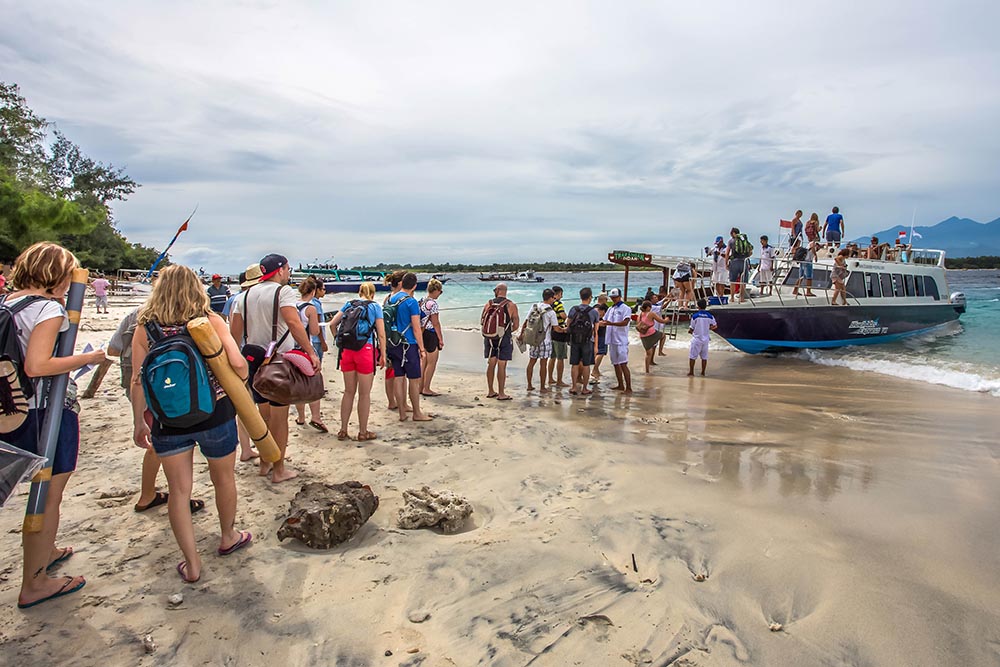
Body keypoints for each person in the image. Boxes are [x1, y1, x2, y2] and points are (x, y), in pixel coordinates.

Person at [130, 265, 252, 584]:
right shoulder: (210, 321)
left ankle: (192, 563)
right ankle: (228, 536)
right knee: (223, 480)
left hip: (167, 421)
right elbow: (238, 366)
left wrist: (138, 422)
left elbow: (138, 380)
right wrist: (238, 377)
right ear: (197, 289)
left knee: (179, 492)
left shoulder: (146, 329)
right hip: (216, 414)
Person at [4, 242, 106, 609]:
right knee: (47, 494)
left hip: (16, 407)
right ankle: (35, 580)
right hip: (45, 410)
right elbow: (38, 365)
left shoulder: (8, 303)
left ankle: (44, 552)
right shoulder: (47, 308)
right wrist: (89, 357)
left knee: (42, 493)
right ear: (58, 275)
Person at [229, 254, 318, 483]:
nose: (289, 273)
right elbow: (293, 322)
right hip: (277, 361)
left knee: (263, 415)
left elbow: (235, 333)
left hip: (253, 358)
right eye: (288, 269)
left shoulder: (244, 295)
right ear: (280, 270)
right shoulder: (283, 292)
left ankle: (266, 461)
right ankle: (279, 469)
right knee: (279, 417)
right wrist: (310, 351)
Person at [329, 282, 386, 441]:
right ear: (373, 294)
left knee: (348, 392)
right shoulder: (375, 307)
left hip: (347, 352)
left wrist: (338, 340)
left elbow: (333, 324)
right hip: (365, 351)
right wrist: (383, 354)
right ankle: (362, 431)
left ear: (359, 292)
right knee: (364, 394)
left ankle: (343, 429)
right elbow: (381, 334)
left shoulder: (349, 304)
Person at [387, 272, 431, 422]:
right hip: (409, 343)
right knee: (413, 379)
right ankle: (417, 413)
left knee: (399, 377)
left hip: (393, 342)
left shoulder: (392, 298)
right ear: (414, 286)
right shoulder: (411, 302)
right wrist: (422, 348)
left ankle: (401, 412)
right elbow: (416, 327)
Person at [293, 277, 327, 432]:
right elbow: (314, 331)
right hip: (306, 347)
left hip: (293, 348)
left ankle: (301, 416)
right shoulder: (311, 308)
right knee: (314, 382)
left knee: (298, 383)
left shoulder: (293, 305)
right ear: (313, 291)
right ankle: (315, 416)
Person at [481, 283, 519, 400]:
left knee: (491, 363)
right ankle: (501, 393)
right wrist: (506, 331)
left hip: (489, 337)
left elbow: (482, 321)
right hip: (504, 337)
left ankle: (491, 391)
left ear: (497, 290)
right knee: (502, 365)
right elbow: (516, 325)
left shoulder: (489, 304)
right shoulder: (511, 305)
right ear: (505, 291)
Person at [520, 288, 558, 392]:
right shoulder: (551, 312)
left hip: (533, 338)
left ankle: (529, 385)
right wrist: (565, 329)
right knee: (543, 364)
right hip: (545, 340)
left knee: (531, 362)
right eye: (554, 298)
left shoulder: (535, 307)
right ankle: (542, 387)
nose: (554, 300)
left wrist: (521, 334)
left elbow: (526, 321)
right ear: (550, 298)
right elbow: (556, 328)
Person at [567, 287, 601, 395]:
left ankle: (573, 387)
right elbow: (596, 330)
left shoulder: (574, 309)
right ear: (590, 297)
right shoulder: (594, 312)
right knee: (586, 365)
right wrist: (596, 346)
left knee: (575, 364)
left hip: (575, 340)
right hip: (587, 341)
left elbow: (568, 324)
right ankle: (585, 388)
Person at [382, 271, 405, 411]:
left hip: (388, 337)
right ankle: (401, 403)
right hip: (399, 338)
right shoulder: (404, 298)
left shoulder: (388, 298)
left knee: (389, 371)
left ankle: (391, 401)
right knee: (400, 373)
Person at [603, 288, 633, 394]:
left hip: (621, 341)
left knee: (623, 364)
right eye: (612, 298)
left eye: (615, 297)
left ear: (620, 297)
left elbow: (625, 322)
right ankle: (620, 384)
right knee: (615, 364)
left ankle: (628, 387)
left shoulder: (626, 308)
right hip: (612, 340)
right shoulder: (611, 309)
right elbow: (605, 320)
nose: (614, 299)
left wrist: (610, 324)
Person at [419, 278, 444, 397]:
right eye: (441, 291)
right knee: (432, 362)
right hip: (430, 333)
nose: (440, 294)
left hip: (422, 332)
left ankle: (420, 386)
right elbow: (435, 323)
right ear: (436, 290)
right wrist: (440, 338)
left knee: (423, 361)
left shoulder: (422, 301)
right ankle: (427, 388)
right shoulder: (433, 304)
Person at [637, 300, 670, 373]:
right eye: (650, 307)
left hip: (643, 335)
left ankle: (647, 370)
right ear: (648, 307)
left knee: (648, 354)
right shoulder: (651, 314)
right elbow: (661, 321)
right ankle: (660, 351)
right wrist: (666, 319)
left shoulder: (640, 315)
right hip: (651, 334)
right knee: (663, 336)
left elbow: (638, 324)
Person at [687, 298, 718, 376]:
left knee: (692, 356)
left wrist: (690, 331)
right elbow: (715, 326)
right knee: (704, 357)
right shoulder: (710, 316)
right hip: (706, 339)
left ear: (698, 306)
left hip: (697, 338)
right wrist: (709, 328)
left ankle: (691, 372)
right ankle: (703, 372)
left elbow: (691, 328)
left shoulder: (695, 316)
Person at [547, 286, 569, 388]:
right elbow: (563, 315)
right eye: (561, 294)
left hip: (550, 332)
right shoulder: (558, 304)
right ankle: (559, 380)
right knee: (560, 357)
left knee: (553, 357)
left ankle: (550, 378)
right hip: (559, 331)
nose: (562, 296)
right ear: (558, 294)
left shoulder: (549, 304)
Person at [725, 227, 749, 304]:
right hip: (743, 261)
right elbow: (750, 251)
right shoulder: (743, 240)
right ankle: (741, 298)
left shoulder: (731, 241)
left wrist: (726, 263)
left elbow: (727, 252)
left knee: (732, 281)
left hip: (734, 261)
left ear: (733, 233)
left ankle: (732, 298)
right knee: (743, 281)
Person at [590, 302, 610, 384]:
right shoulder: (598, 314)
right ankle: (594, 370)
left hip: (594, 335)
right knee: (601, 352)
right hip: (600, 335)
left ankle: (596, 371)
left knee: (598, 352)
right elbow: (602, 324)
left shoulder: (594, 310)